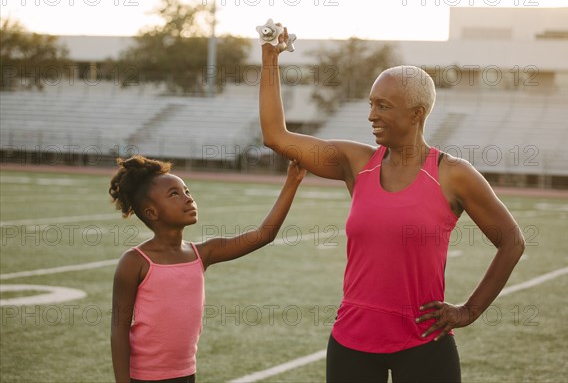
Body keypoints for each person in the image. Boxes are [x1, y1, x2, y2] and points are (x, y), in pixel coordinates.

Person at [259, 25, 525, 382]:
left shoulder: (453, 174)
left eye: (383, 106)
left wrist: (468, 311)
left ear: (416, 113)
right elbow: (276, 137)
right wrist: (269, 59)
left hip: (424, 344)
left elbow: (512, 241)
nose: (371, 115)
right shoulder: (356, 163)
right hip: (351, 342)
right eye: (371, 104)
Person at [109, 155, 305, 383]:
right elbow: (119, 330)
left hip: (185, 373)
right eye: (174, 194)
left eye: (187, 191)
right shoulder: (134, 262)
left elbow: (264, 235)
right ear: (152, 212)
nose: (188, 199)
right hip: (144, 378)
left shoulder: (203, 253)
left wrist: (293, 181)